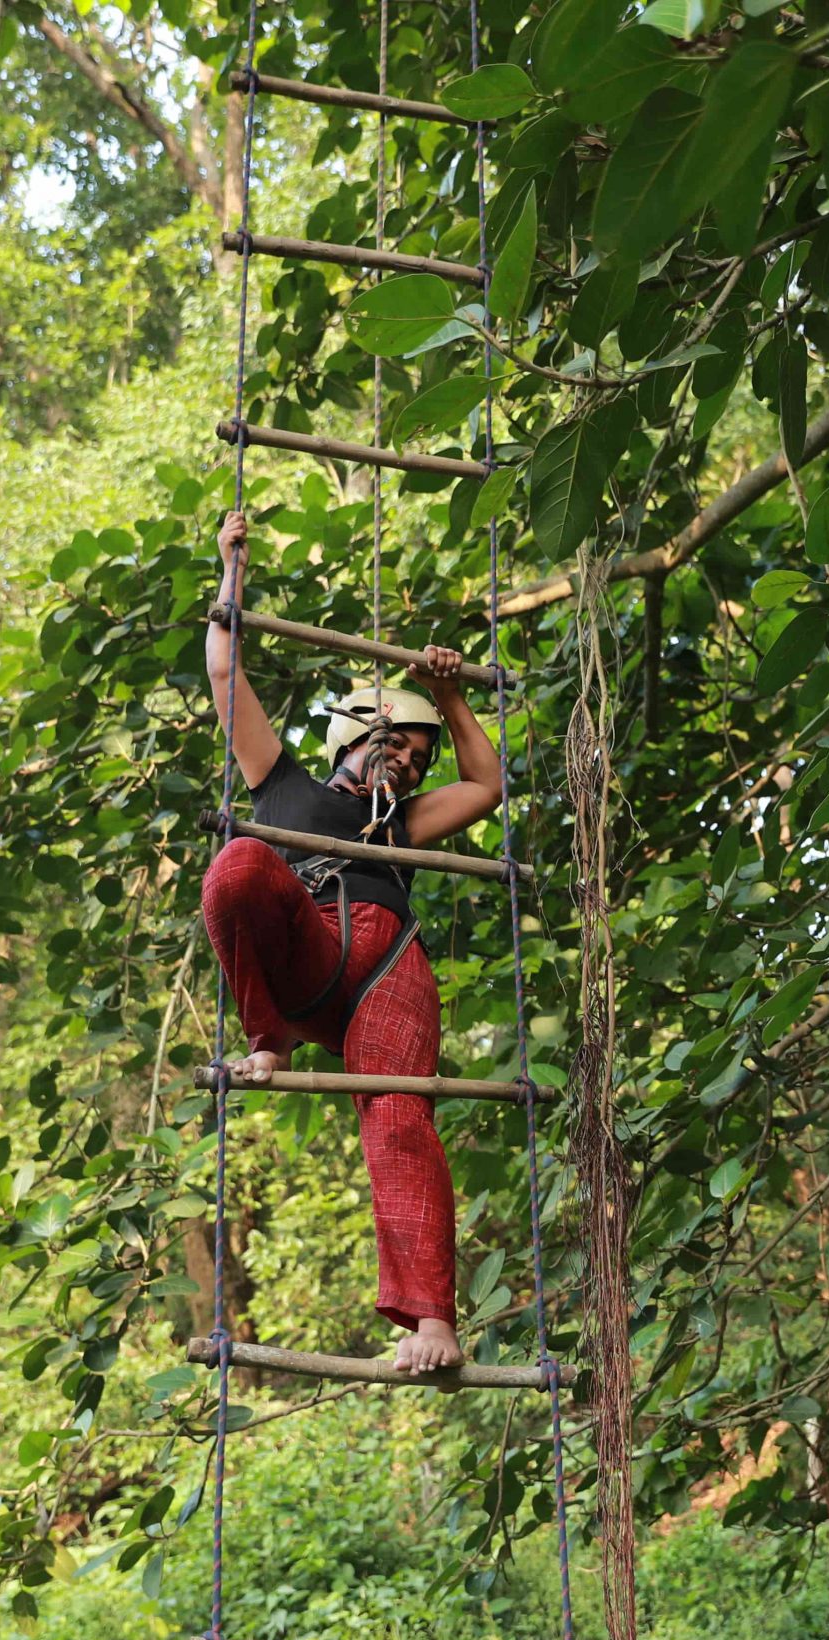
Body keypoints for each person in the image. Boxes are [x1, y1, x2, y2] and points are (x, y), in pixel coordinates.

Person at [199, 509, 502, 1373]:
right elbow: (226, 669)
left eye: (417, 755)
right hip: (302, 957)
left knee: (403, 1118)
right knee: (238, 867)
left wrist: (446, 692)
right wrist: (233, 572)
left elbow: (486, 782)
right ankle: (270, 1040)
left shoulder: (405, 821)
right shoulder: (282, 784)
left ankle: (430, 1320)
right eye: (397, 747)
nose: (408, 764)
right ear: (355, 739)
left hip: (386, 968)